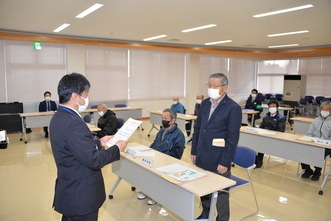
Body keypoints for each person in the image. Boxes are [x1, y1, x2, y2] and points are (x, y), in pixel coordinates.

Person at [49, 73, 128, 221]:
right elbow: (94, 160)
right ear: (75, 96)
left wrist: (99, 143)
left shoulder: (58, 117)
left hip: (70, 191)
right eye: (86, 94)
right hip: (81, 196)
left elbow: (73, 147)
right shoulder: (74, 122)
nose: (87, 98)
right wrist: (117, 148)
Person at [191, 73, 242, 221]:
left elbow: (232, 138)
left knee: (221, 192)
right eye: (209, 85)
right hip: (202, 153)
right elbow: (199, 128)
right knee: (204, 187)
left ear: (224, 87)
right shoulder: (206, 103)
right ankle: (206, 213)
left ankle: (223, 218)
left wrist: (225, 162)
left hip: (219, 157)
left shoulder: (233, 108)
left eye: (215, 86)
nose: (211, 89)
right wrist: (194, 151)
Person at [137, 108, 185, 205]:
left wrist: (160, 158)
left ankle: (156, 196)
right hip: (156, 158)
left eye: (165, 118)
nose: (163, 120)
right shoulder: (161, 131)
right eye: (162, 117)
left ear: (173, 120)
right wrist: (147, 152)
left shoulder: (179, 135)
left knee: (156, 172)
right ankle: (147, 190)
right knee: (144, 167)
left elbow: (176, 155)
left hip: (167, 161)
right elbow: (155, 144)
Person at [301, 101, 331, 181]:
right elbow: (310, 133)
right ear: (320, 109)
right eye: (323, 109)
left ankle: (317, 171)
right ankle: (307, 170)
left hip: (325, 145)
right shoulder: (316, 120)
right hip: (313, 143)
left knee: (319, 153)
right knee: (302, 150)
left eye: (327, 109)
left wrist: (323, 142)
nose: (325, 111)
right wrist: (312, 140)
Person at [255, 100, 286, 168]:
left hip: (274, 137)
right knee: (255, 142)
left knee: (261, 144)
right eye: (270, 107)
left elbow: (281, 130)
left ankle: (259, 161)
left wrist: (269, 132)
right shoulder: (266, 116)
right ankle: (255, 159)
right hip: (265, 136)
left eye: (274, 106)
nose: (272, 108)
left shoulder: (281, 118)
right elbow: (261, 127)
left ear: (277, 108)